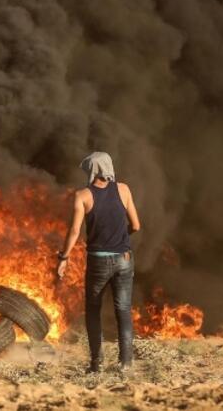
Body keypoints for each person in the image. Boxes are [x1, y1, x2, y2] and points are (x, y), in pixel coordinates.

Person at [57, 152, 141, 373]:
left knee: (93, 310)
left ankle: (97, 363)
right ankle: (126, 363)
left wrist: (63, 258)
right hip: (124, 258)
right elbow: (136, 226)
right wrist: (120, 239)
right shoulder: (124, 190)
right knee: (123, 310)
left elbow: (74, 231)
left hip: (98, 261)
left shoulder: (82, 196)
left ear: (91, 170)